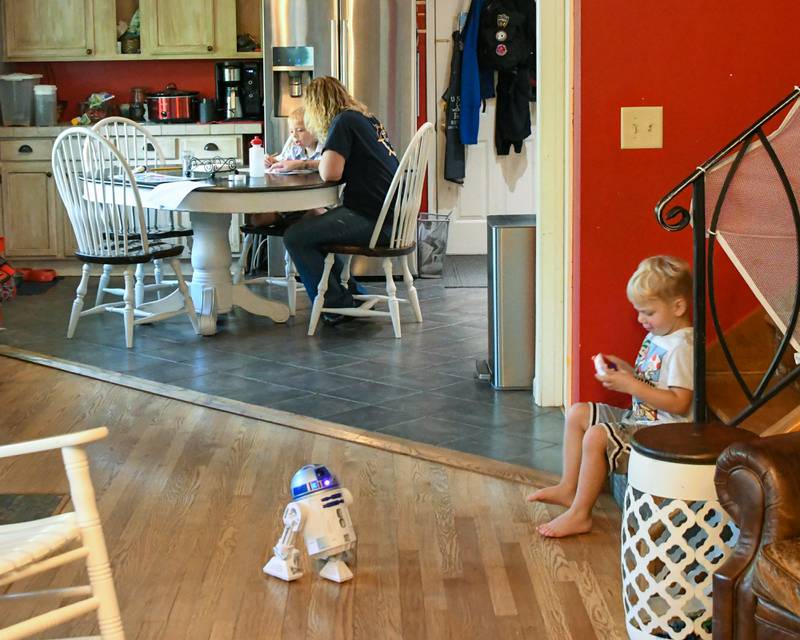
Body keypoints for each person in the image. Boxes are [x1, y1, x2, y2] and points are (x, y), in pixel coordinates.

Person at [527, 255, 694, 538]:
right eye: (638, 311)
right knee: (578, 412)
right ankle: (569, 488)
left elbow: (679, 403)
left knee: (596, 436)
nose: (641, 319)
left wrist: (631, 386)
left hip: (664, 432)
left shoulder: (682, 347)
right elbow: (654, 381)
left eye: (648, 312)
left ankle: (580, 515)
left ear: (678, 306)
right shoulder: (660, 334)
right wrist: (627, 371)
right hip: (640, 417)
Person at [283, 76, 399, 325]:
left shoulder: (343, 121)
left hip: (372, 219)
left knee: (295, 236)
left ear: (317, 107)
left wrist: (303, 163)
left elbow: (330, 173)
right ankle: (352, 294)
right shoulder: (365, 118)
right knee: (315, 220)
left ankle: (334, 306)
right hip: (392, 218)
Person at [250, 107, 324, 227]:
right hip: (291, 198)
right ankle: (285, 218)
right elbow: (282, 160)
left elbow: (328, 164)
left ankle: (292, 221)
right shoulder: (295, 147)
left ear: (316, 131)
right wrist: (271, 161)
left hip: (314, 198)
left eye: (300, 130)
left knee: (317, 213)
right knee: (257, 219)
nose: (294, 135)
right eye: (291, 131)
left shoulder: (324, 147)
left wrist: (301, 164)